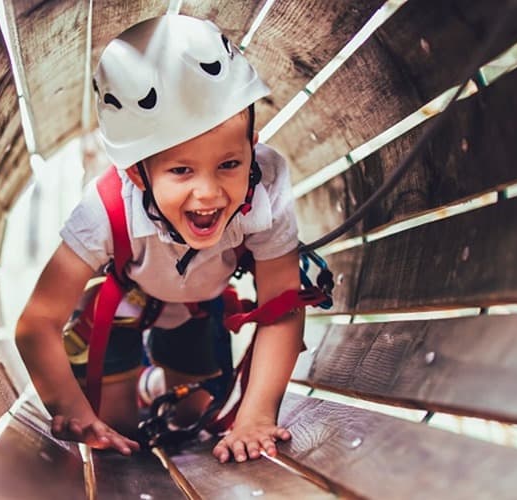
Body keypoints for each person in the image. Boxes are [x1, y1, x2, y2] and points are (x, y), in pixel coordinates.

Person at [15, 14, 304, 464]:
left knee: (193, 413)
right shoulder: (106, 210)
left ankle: (154, 382)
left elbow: (281, 306)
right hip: (122, 303)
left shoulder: (264, 186)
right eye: (181, 170)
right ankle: (136, 378)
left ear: (253, 145)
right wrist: (72, 410)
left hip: (196, 302)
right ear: (136, 173)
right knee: (119, 431)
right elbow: (36, 324)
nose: (208, 192)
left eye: (229, 164)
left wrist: (255, 416)